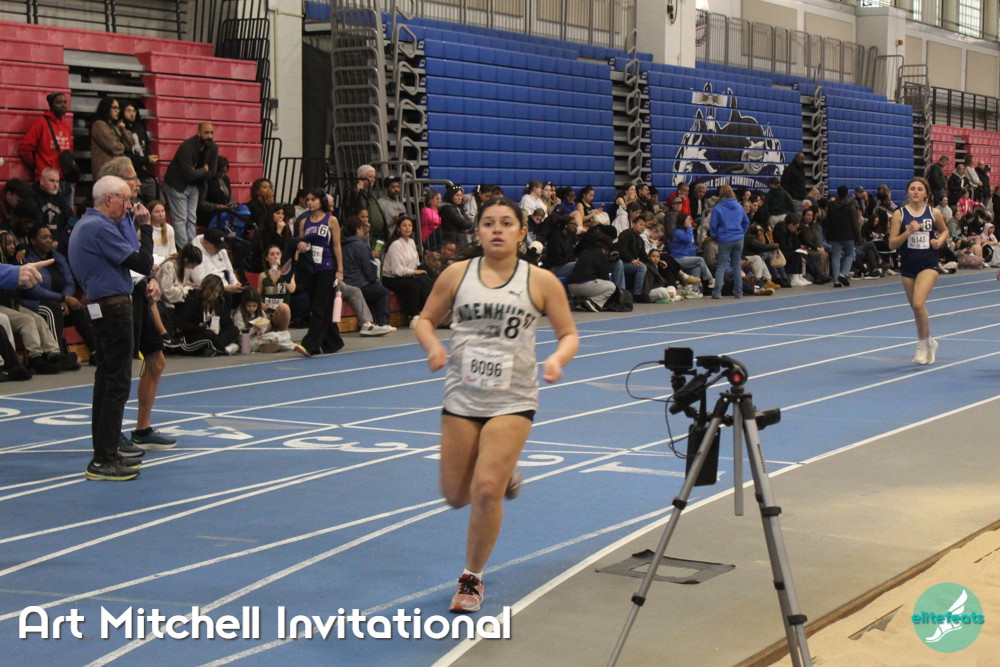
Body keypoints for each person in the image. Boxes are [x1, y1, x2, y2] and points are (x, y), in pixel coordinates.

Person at [413, 197, 578, 613]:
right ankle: (506, 472)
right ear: (478, 231)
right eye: (489, 223)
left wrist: (557, 360)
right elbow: (424, 319)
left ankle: (471, 577)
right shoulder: (456, 274)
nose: (497, 229)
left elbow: (569, 334)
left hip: (513, 398)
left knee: (486, 490)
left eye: (506, 223)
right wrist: (433, 346)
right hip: (462, 396)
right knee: (455, 495)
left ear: (522, 232)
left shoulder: (540, 281)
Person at [67, 175, 153, 481]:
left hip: (101, 306)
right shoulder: (100, 228)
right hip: (113, 308)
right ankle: (103, 459)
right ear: (109, 199)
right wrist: (147, 228)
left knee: (106, 381)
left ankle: (106, 452)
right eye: (125, 199)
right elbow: (142, 263)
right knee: (116, 384)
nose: (129, 206)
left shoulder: (87, 225)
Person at [97, 156, 177, 453]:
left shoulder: (132, 214)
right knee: (118, 371)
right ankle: (112, 434)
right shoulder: (110, 221)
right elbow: (125, 259)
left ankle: (142, 429)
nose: (139, 183)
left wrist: (150, 280)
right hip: (119, 298)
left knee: (156, 360)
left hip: (138, 291)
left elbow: (138, 260)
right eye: (133, 178)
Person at [888, 177, 949, 365]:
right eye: (912, 188)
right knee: (917, 309)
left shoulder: (933, 213)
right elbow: (892, 243)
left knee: (918, 303)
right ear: (908, 192)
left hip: (928, 263)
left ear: (926, 194)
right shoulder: (899, 214)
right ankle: (929, 341)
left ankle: (922, 346)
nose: (915, 192)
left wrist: (939, 241)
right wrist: (908, 232)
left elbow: (945, 231)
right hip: (908, 264)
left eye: (919, 189)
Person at [22, 224, 97, 362]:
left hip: (59, 301)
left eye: (50, 237)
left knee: (77, 309)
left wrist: (65, 298)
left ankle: (95, 351)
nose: (49, 240)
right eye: (44, 237)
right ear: (33, 241)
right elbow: (34, 290)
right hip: (34, 303)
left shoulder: (57, 257)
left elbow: (70, 282)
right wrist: (62, 298)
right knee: (53, 309)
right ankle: (57, 353)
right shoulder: (27, 259)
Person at [293, 188, 345, 356]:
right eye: (307, 199)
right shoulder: (303, 223)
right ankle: (333, 343)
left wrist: (340, 270)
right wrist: (300, 245)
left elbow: (337, 245)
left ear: (321, 201)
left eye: (313, 199)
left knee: (319, 306)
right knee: (323, 306)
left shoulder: (331, 220)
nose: (309, 202)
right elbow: (301, 243)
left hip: (327, 267)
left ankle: (310, 344)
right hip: (310, 268)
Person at [162, 122, 218, 250]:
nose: (209, 136)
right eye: (206, 133)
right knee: (181, 219)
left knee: (192, 218)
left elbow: (213, 172)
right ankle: (185, 250)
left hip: (195, 186)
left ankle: (193, 248)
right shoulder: (186, 146)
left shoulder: (213, 147)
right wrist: (203, 170)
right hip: (177, 185)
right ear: (198, 133)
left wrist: (197, 172)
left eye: (212, 133)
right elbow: (189, 174)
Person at [18, 92, 75, 209]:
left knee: (68, 215)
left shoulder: (65, 125)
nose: (63, 105)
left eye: (65, 102)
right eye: (59, 102)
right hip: (48, 180)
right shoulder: (41, 124)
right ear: (51, 105)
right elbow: (24, 149)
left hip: (65, 179)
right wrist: (38, 167)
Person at [381, 215, 432, 328]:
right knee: (413, 285)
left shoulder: (412, 242)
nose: (407, 228)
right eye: (404, 225)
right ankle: (413, 316)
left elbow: (416, 263)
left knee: (424, 279)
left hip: (407, 274)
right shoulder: (396, 245)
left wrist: (419, 271)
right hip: (391, 278)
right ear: (398, 229)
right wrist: (414, 272)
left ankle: (428, 311)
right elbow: (397, 270)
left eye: (410, 225)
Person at [709, 185, 750, 299]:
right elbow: (746, 222)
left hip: (725, 238)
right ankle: (738, 292)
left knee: (721, 266)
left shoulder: (718, 207)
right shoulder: (739, 206)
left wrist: (715, 236)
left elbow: (713, 224)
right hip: (738, 238)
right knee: (736, 266)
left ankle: (717, 292)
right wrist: (742, 233)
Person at [825, 185, 863, 287]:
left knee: (836, 256)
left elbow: (828, 222)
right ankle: (844, 273)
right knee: (850, 254)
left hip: (835, 235)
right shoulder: (850, 205)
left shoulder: (831, 205)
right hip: (848, 235)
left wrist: (827, 236)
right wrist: (858, 238)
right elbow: (855, 223)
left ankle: (836, 281)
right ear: (846, 193)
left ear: (838, 193)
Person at [121, 102, 158, 202]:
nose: (132, 114)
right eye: (128, 111)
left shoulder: (140, 127)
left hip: (145, 173)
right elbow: (124, 155)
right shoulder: (120, 129)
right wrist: (146, 159)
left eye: (134, 111)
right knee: (135, 202)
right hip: (129, 173)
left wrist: (149, 156)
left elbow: (146, 146)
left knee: (155, 202)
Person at [89, 98, 133, 181]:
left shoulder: (114, 126)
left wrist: (123, 130)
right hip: (105, 172)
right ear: (106, 108)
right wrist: (122, 145)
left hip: (116, 171)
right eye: (114, 108)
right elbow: (114, 147)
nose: (117, 111)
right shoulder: (99, 124)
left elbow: (129, 146)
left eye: (118, 108)